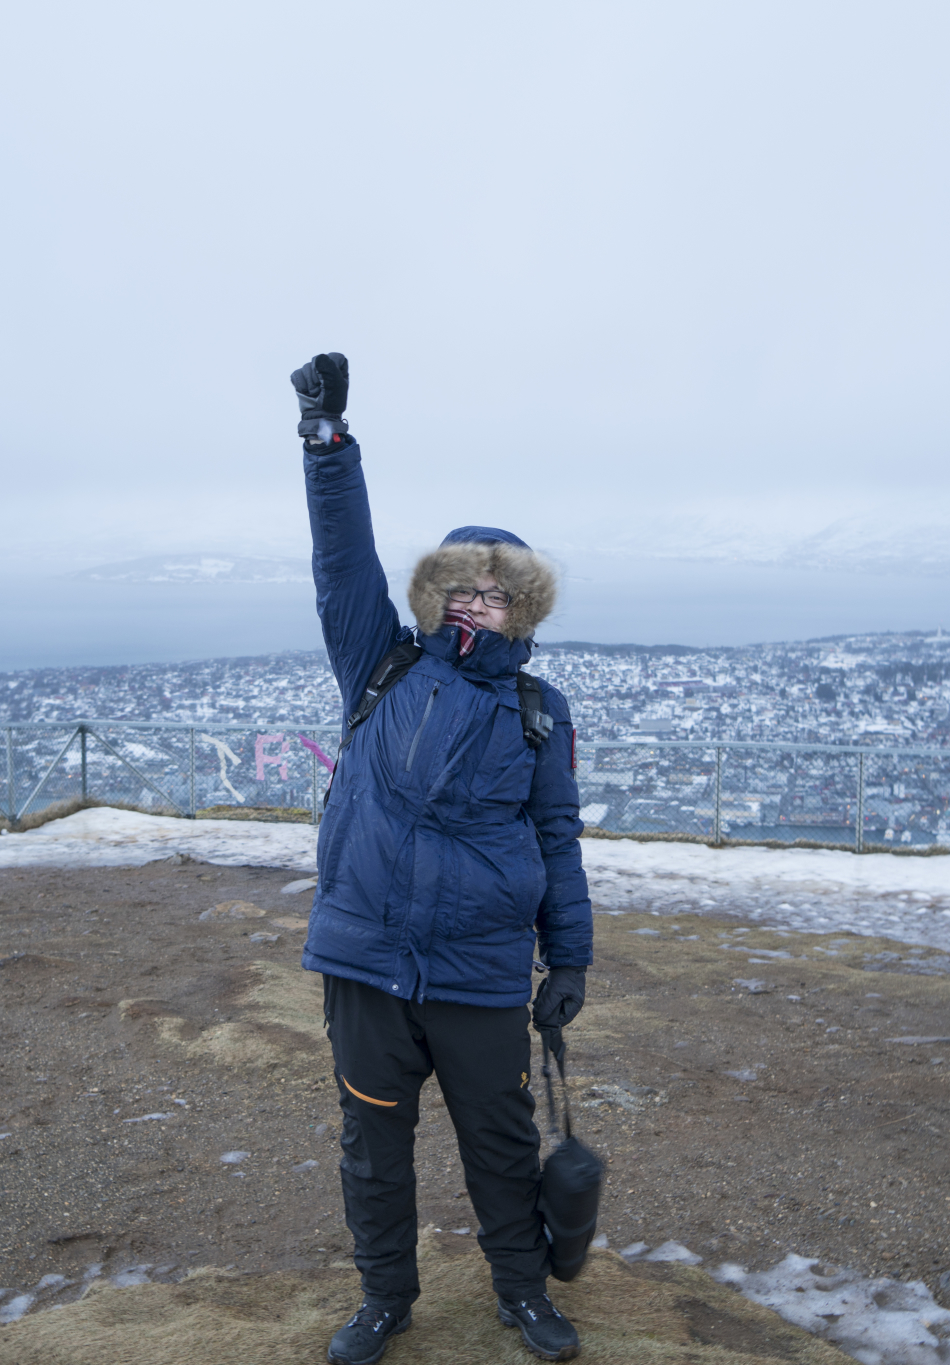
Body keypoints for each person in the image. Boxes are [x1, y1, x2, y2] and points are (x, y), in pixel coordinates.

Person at [292, 353, 593, 1364]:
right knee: (372, 1151)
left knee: (500, 1149)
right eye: (459, 590)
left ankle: (522, 1295)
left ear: (522, 613)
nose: (475, 605)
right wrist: (325, 445)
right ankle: (384, 1301)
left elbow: (555, 837)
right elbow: (340, 563)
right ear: (433, 597)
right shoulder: (378, 663)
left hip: (475, 968)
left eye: (495, 597)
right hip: (366, 961)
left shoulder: (537, 712)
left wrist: (571, 961)